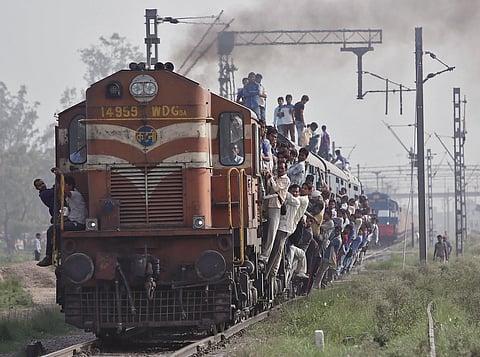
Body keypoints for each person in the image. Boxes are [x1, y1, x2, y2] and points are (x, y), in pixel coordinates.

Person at [38, 168, 87, 267]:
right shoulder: (69, 198)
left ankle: (48, 256)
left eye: (65, 185)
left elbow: (65, 191)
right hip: (73, 221)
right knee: (56, 226)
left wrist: (60, 176)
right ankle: (59, 251)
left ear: (70, 185)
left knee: (52, 229)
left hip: (78, 224)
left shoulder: (75, 195)